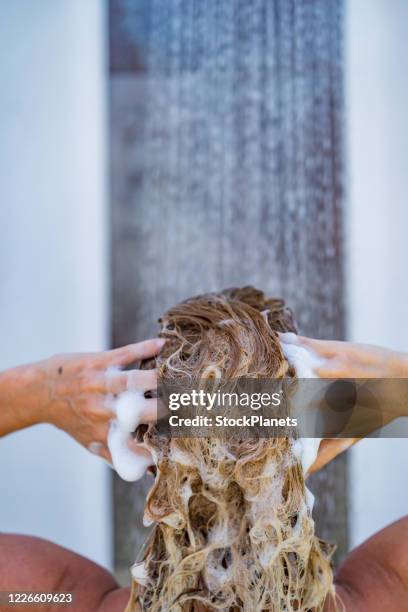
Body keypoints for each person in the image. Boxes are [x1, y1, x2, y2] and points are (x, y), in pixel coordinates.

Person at [0, 337, 407, 611]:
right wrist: (389, 391)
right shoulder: (391, 589)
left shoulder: (44, 595)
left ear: (148, 467)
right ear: (303, 458)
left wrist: (40, 393)